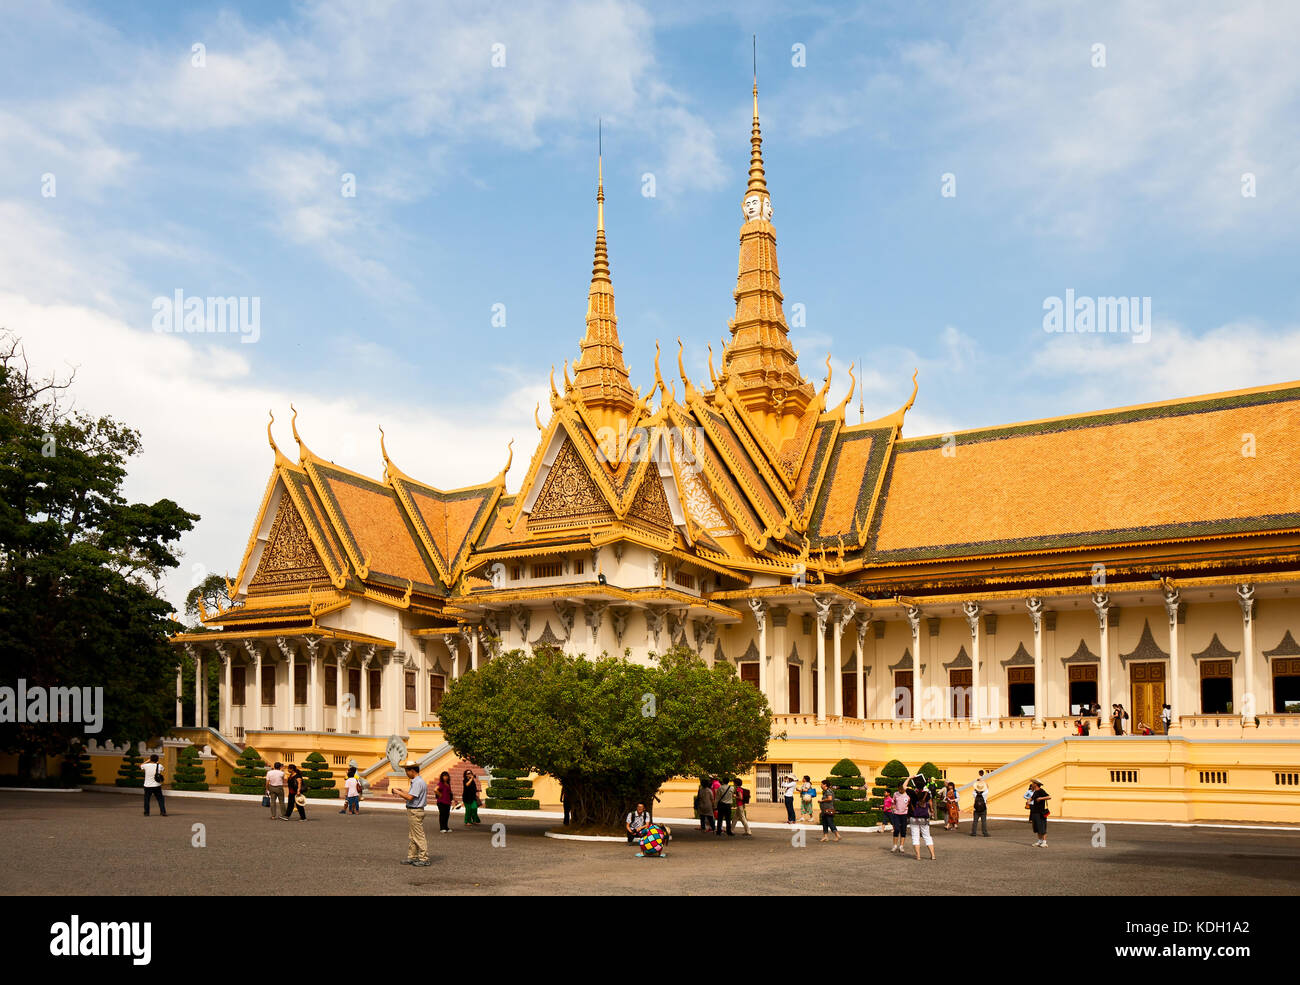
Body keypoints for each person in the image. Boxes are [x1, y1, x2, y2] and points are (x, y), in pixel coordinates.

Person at [393, 760, 430, 865]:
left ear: (412, 770)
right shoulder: (418, 781)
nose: (406, 773)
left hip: (415, 811)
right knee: (413, 835)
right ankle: (413, 856)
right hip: (414, 810)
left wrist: (398, 792)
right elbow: (412, 795)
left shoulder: (417, 782)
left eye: (406, 771)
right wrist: (402, 791)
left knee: (418, 835)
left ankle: (424, 858)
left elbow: (410, 797)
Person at [909, 777, 935, 860]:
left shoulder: (913, 794)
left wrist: (909, 778)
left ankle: (918, 856)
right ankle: (933, 855)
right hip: (924, 817)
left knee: (915, 836)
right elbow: (930, 802)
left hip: (914, 817)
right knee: (927, 836)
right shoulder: (927, 794)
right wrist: (931, 810)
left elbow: (904, 786)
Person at [1028, 778, 1050, 847]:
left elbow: (1049, 797)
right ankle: (1039, 841)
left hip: (1040, 813)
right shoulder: (1035, 791)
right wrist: (1029, 800)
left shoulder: (1041, 791)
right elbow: (1032, 798)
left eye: (1033, 783)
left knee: (1042, 827)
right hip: (1035, 812)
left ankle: (1044, 842)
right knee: (1037, 827)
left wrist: (1041, 798)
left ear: (1036, 784)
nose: (1032, 784)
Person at [889, 784, 910, 853]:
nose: (900, 790)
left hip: (904, 814)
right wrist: (893, 808)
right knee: (896, 829)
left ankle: (901, 846)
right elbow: (893, 802)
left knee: (903, 830)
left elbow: (910, 803)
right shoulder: (895, 794)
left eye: (901, 789)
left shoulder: (908, 794)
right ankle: (895, 845)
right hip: (897, 814)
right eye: (899, 789)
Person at [970, 771, 990, 837]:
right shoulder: (985, 793)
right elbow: (987, 788)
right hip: (983, 808)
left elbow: (974, 789)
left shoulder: (974, 793)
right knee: (983, 821)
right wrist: (983, 782)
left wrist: (977, 782)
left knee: (975, 821)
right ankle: (985, 833)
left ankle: (973, 832)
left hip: (976, 809)